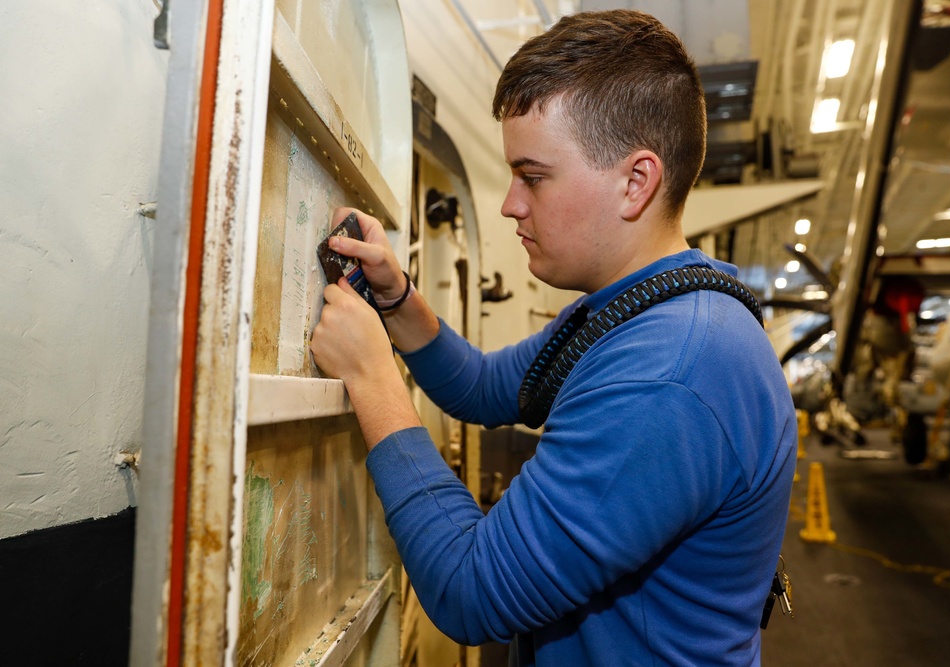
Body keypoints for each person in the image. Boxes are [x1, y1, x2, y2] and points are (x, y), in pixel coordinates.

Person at [310, 9, 796, 666]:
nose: (511, 204)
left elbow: (470, 589)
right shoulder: (638, 309)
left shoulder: (671, 368)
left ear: (636, 181)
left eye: (533, 176)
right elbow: (484, 387)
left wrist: (372, 377)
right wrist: (396, 300)